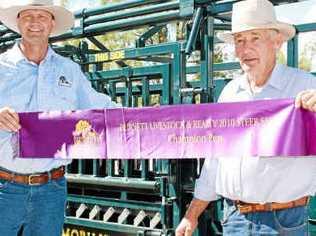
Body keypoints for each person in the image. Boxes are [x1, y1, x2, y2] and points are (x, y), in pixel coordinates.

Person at [176, 0, 316, 235]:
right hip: (234, 220)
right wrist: (191, 216)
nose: (245, 49)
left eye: (255, 38)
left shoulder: (305, 86)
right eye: (239, 40)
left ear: (277, 42)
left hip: (283, 222)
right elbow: (215, 161)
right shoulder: (230, 93)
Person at [0, 1, 116, 235]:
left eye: (42, 16)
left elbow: (102, 108)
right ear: (18, 22)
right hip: (4, 188)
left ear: (52, 23)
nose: (35, 22)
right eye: (28, 16)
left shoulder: (70, 70)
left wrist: (151, 119)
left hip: (51, 190)